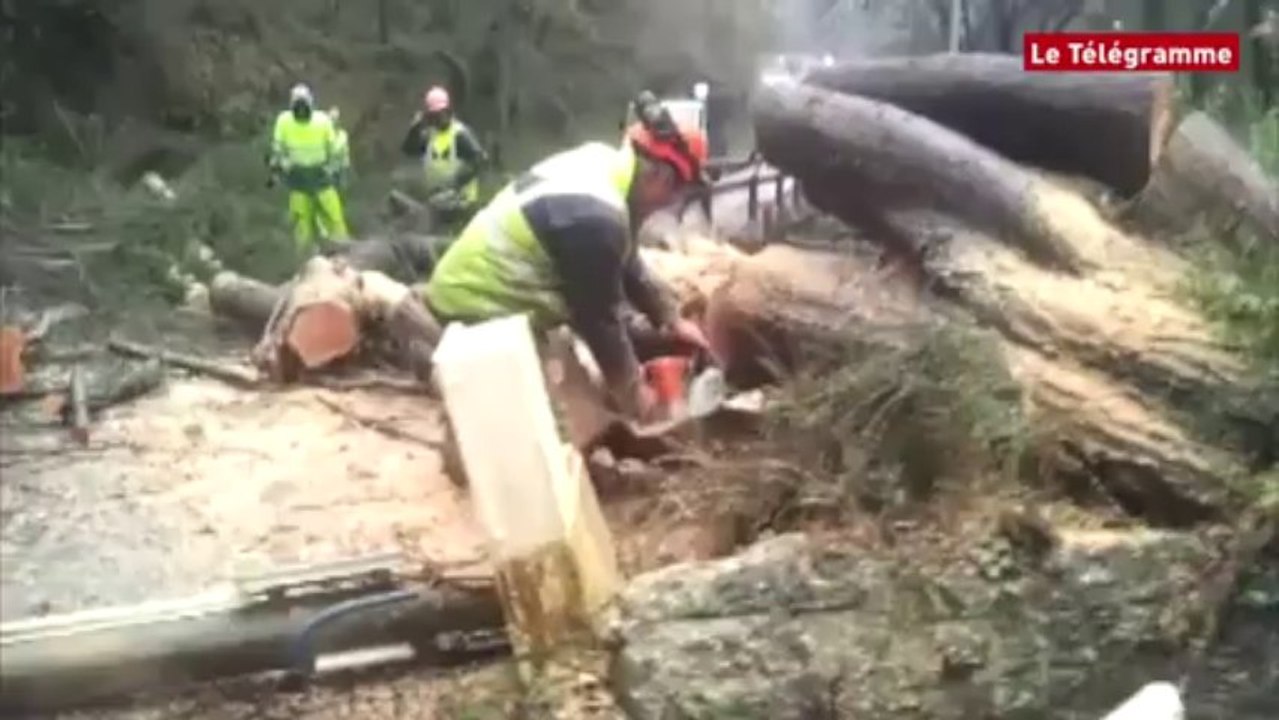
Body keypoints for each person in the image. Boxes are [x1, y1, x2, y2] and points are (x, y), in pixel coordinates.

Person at [418, 94, 713, 420]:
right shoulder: (596, 217)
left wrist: (670, 317)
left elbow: (624, 256)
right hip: (472, 311)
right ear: (662, 178)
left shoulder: (604, 166)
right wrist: (636, 396)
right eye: (674, 194)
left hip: (478, 290)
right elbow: (599, 320)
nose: (667, 206)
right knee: (562, 411)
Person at [268, 84, 349, 256]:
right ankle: (308, 260)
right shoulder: (285, 121)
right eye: (298, 105)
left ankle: (343, 254)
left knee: (332, 220)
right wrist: (281, 168)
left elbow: (334, 150)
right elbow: (278, 150)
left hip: (318, 178)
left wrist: (332, 170)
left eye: (303, 104)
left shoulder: (321, 121)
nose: (301, 110)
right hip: (301, 180)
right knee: (303, 226)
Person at [400, 86, 488, 232]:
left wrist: (456, 183)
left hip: (461, 203)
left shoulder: (460, 134)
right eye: (434, 115)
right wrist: (414, 129)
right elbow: (409, 150)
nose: (440, 118)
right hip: (437, 201)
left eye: (442, 113)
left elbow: (479, 159)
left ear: (449, 111)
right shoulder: (429, 135)